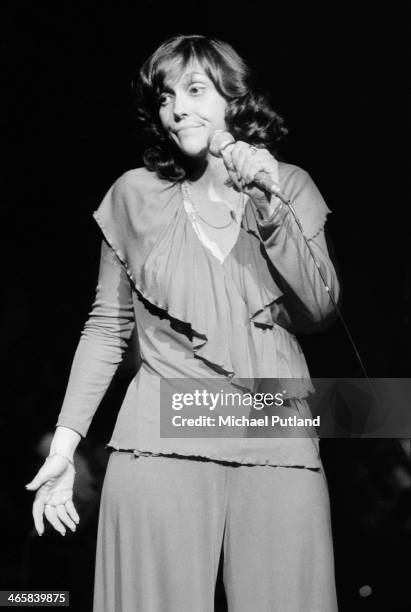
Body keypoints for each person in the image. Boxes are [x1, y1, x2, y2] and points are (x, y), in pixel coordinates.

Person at [25, 34, 340, 611]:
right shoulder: (135, 196)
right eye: (166, 96)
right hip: (159, 440)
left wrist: (269, 206)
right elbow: (105, 327)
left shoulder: (287, 183)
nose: (177, 109)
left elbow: (320, 310)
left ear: (233, 100)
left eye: (195, 90)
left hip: (276, 433)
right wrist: (65, 448)